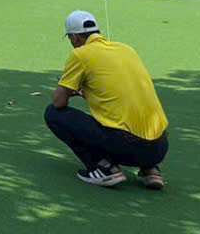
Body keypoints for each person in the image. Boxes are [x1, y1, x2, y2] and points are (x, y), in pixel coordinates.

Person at [44, 10, 169, 190]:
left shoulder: (80, 54)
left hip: (125, 148)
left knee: (53, 114)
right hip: (160, 148)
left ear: (75, 37)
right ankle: (150, 169)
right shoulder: (127, 50)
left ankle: (104, 169)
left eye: (70, 39)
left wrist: (70, 92)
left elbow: (58, 102)